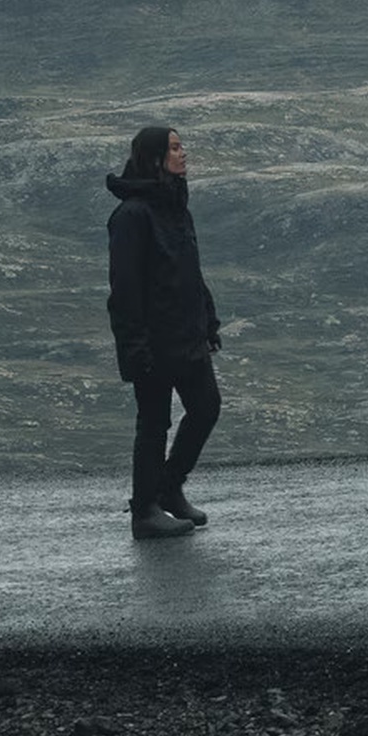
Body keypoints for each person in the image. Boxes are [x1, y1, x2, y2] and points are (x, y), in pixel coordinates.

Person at [105, 125, 223, 540]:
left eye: (181, 146)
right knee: (154, 424)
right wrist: (135, 346)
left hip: (188, 336)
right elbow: (125, 288)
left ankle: (169, 488)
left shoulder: (176, 207)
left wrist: (208, 319)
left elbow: (190, 271)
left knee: (206, 408)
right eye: (174, 148)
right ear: (154, 158)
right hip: (154, 342)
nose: (183, 153)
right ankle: (144, 512)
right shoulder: (132, 216)